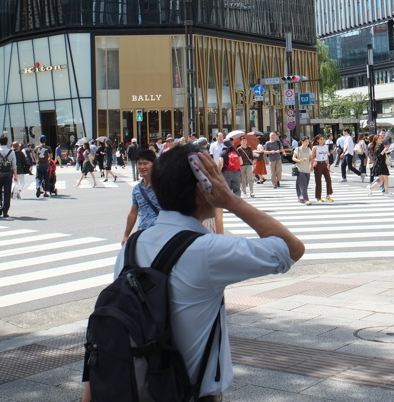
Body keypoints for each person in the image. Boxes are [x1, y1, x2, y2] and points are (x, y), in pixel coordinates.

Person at [81, 145, 304, 402]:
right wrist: (231, 200)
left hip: (134, 388)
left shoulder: (131, 247)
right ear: (203, 191)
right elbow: (291, 249)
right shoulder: (206, 251)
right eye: (215, 178)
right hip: (189, 394)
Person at [120, 150, 161, 244]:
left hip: (161, 234)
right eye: (139, 164)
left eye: (145, 163)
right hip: (143, 234)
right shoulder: (137, 189)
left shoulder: (162, 185)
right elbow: (133, 213)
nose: (142, 167)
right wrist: (126, 235)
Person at [0, 137, 17, 218]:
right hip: (8, 175)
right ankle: (5, 210)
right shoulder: (11, 152)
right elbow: (14, 165)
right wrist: (15, 176)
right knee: (7, 192)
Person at [310, 134, 334, 203]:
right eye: (320, 139)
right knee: (318, 181)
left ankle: (328, 194)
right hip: (318, 164)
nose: (322, 141)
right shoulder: (315, 147)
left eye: (323, 139)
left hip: (324, 163)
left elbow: (326, 156)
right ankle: (318, 197)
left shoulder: (325, 147)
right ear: (317, 140)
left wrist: (328, 165)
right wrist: (311, 165)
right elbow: (312, 156)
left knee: (328, 180)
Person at [292, 136, 312, 205]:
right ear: (302, 142)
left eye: (308, 141)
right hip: (300, 169)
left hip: (307, 169)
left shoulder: (309, 149)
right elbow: (293, 158)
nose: (307, 143)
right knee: (303, 185)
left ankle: (300, 197)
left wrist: (312, 165)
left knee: (304, 185)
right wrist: (299, 160)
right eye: (306, 141)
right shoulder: (298, 149)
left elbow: (311, 158)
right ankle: (306, 199)